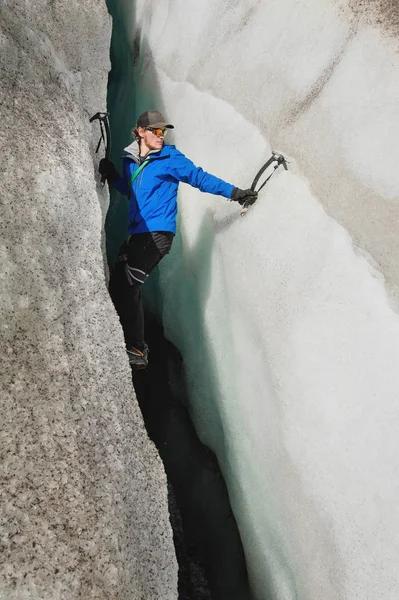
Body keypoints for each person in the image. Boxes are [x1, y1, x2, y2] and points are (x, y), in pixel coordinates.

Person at [100, 110, 257, 369]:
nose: (161, 136)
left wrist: (235, 192)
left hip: (158, 236)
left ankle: (138, 350)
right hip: (137, 235)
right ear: (141, 132)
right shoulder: (130, 161)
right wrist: (114, 176)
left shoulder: (170, 157)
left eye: (164, 131)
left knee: (129, 285)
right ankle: (117, 336)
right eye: (156, 131)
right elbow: (131, 191)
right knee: (118, 282)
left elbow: (199, 178)